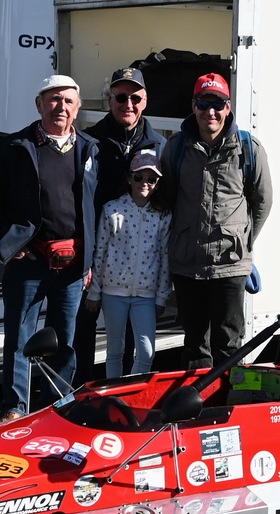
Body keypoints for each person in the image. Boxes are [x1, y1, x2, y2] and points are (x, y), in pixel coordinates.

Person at [0, 75, 98, 422]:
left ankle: (55, 407)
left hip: (72, 265)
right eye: (53, 99)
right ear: (39, 104)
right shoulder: (16, 146)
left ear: (77, 108)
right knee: (19, 337)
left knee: (65, 340)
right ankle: (15, 408)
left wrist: (89, 258)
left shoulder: (90, 148)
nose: (61, 106)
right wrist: (8, 241)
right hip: (28, 262)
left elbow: (94, 204)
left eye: (68, 101)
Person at [161, 72, 272, 369]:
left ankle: (228, 397)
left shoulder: (249, 148)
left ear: (228, 107)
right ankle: (198, 397)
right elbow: (168, 198)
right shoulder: (176, 148)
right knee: (194, 345)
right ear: (193, 106)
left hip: (230, 265)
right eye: (203, 103)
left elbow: (262, 201)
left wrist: (242, 240)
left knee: (229, 344)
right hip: (188, 265)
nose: (210, 111)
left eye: (218, 104)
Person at [75, 66, 167, 383]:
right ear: (110, 99)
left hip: (138, 268)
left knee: (134, 342)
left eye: (135, 98)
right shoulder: (90, 141)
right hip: (93, 254)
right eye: (120, 97)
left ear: (145, 101)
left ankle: (125, 396)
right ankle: (84, 391)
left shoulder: (159, 146)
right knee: (85, 328)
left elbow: (168, 201)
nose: (128, 104)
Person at [85, 149, 170, 378]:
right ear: (129, 178)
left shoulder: (163, 215)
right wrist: (95, 291)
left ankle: (132, 391)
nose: (145, 183)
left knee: (146, 352)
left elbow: (164, 257)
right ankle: (114, 392)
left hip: (146, 295)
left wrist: (162, 296)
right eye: (139, 177)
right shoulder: (112, 209)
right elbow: (100, 252)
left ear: (158, 184)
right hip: (113, 292)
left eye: (151, 179)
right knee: (115, 350)